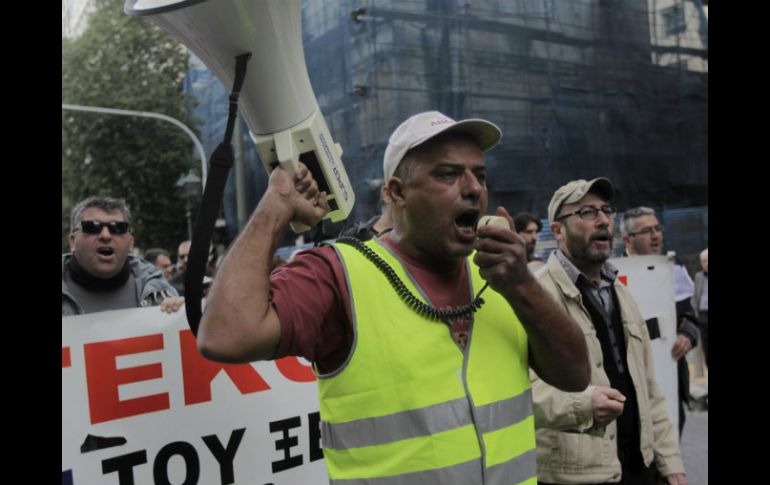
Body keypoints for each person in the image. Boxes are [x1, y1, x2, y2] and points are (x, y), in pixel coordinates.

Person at [198, 110, 590, 484]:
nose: (473, 189)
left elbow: (575, 376)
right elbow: (225, 333)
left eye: (480, 175)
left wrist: (522, 284)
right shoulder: (338, 274)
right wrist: (276, 205)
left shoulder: (503, 274)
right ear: (397, 193)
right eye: (448, 174)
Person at [532, 179, 687, 484]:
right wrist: (583, 405)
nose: (603, 220)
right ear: (558, 229)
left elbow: (649, 389)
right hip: (577, 476)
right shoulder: (536, 297)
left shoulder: (621, 294)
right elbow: (523, 392)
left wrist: (671, 462)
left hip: (640, 468)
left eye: (606, 210)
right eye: (587, 212)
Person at [621, 206, 699, 437]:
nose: (655, 236)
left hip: (670, 376)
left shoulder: (674, 268)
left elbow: (690, 314)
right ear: (627, 239)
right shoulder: (611, 274)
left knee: (672, 444)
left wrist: (687, 334)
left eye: (657, 228)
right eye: (646, 231)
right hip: (631, 381)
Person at [63, 196, 183, 316]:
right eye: (93, 227)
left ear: (130, 242)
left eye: (117, 228)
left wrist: (182, 314)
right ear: (73, 241)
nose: (105, 235)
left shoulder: (160, 294)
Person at [691, 249, 708, 367]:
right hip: (703, 316)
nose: (705, 263)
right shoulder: (698, 276)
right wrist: (696, 315)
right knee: (706, 346)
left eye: (707, 260)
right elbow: (695, 297)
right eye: (703, 261)